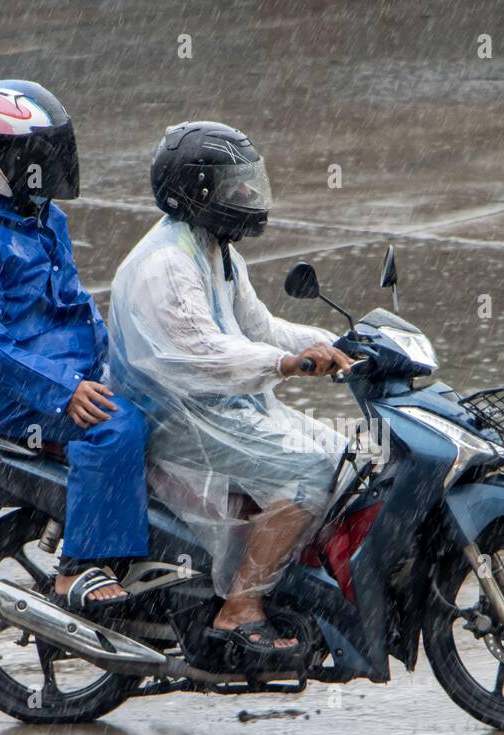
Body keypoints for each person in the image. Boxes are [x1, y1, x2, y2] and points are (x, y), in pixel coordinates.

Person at [107, 121, 353, 664]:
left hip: (216, 406)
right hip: (177, 418)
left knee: (344, 457)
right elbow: (203, 353)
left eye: (247, 183)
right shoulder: (167, 264)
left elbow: (259, 328)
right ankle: (239, 608)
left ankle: (280, 577)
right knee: (311, 470)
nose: (246, 196)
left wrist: (338, 342)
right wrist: (286, 364)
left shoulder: (213, 250)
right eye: (231, 185)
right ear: (195, 191)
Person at [0, 80, 148, 612]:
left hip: (63, 371)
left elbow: (71, 303)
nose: (47, 165)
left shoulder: (45, 219)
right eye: (34, 155)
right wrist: (65, 391)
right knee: (118, 427)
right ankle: (78, 569)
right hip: (12, 391)